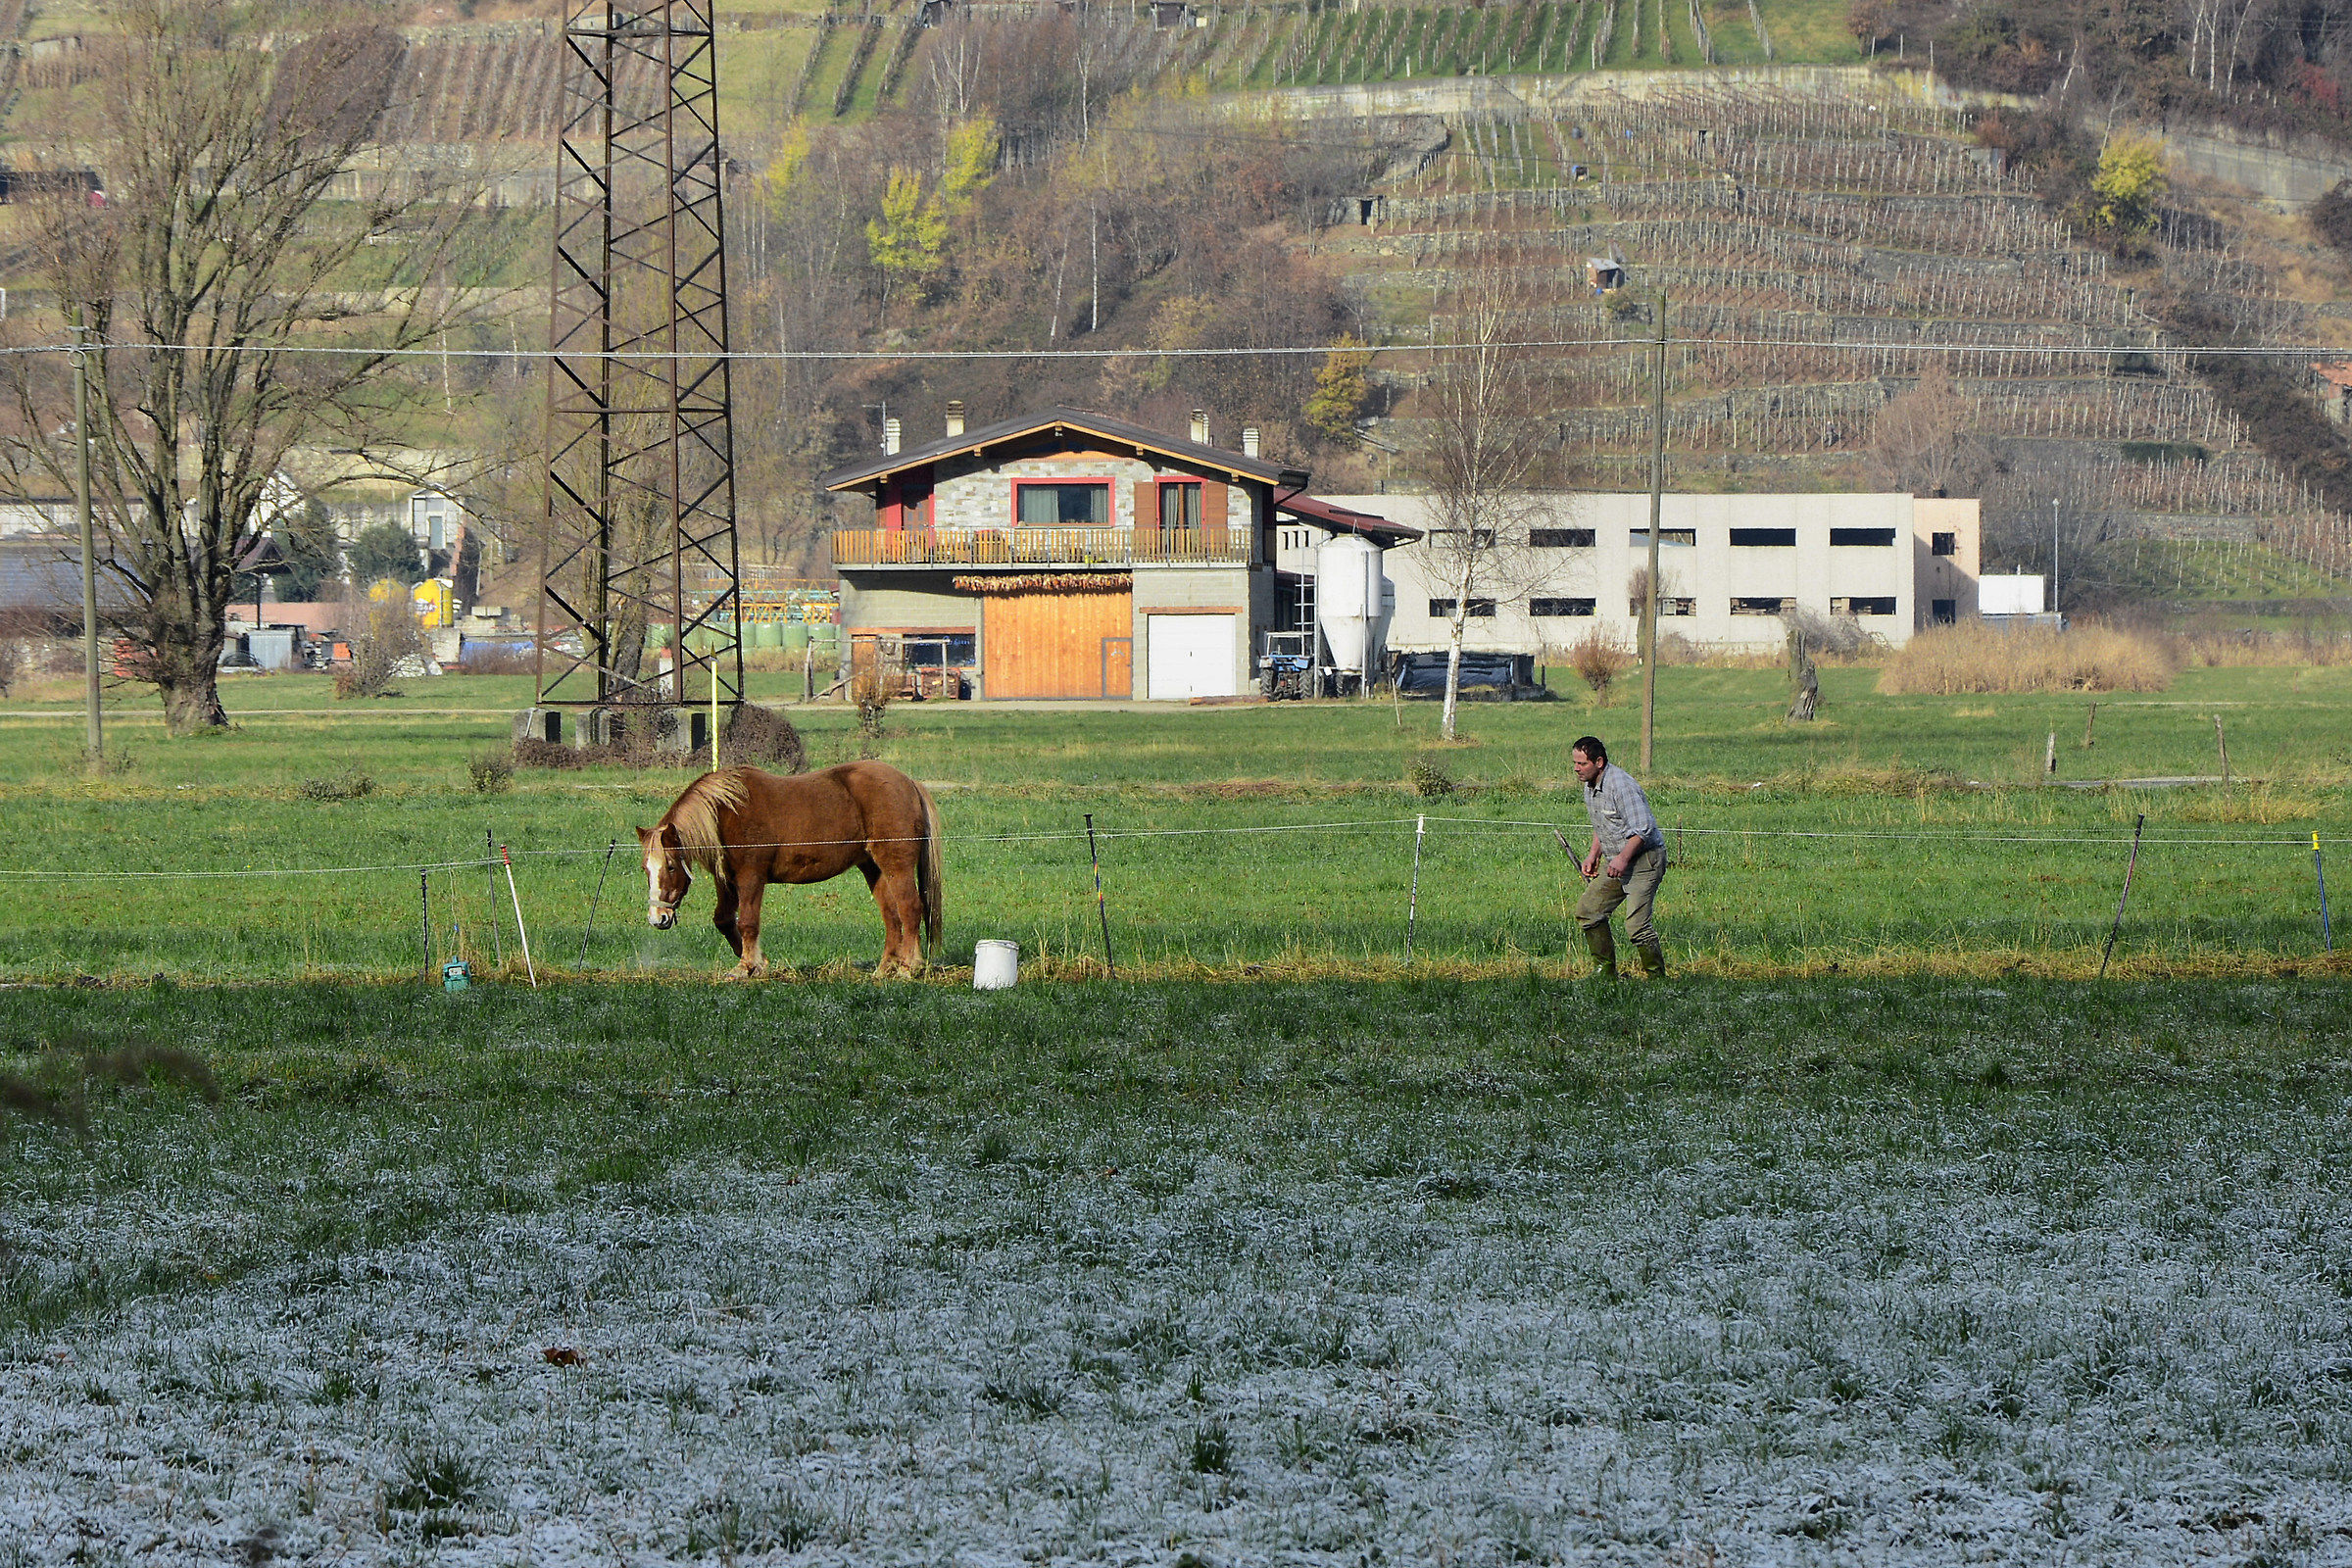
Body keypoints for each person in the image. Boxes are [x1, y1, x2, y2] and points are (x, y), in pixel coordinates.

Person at [1570, 734, 1667, 980]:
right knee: (1588, 910)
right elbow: (1603, 823)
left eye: (1582, 764)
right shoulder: (1590, 785)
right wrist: (1593, 855)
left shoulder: (1621, 785)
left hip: (1644, 859)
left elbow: (1643, 828)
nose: (1576, 769)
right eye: (1575, 763)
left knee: (1636, 927)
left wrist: (1622, 859)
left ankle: (1657, 980)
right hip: (1617, 860)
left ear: (1599, 762)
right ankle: (1605, 972)